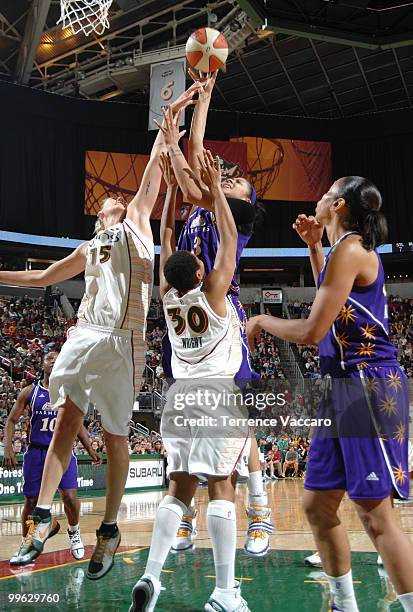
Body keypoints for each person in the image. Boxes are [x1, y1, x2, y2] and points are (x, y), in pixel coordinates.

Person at [0, 84, 201, 577]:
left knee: (115, 438)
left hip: (126, 341)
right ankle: (41, 519)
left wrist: (168, 120)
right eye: (106, 203)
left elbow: (154, 166)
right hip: (86, 333)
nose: (114, 200)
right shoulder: (89, 247)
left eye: (117, 198)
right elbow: (41, 277)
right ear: (97, 219)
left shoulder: (136, 221)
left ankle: (108, 529)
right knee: (66, 419)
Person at [247, 176, 413, 612]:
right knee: (318, 504)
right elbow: (331, 297)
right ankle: (344, 604)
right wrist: (314, 245)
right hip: (341, 386)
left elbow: (312, 330)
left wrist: (261, 321)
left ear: (338, 204)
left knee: (376, 517)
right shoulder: (342, 251)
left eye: (323, 196)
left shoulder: (354, 248)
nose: (316, 200)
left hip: (367, 387)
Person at [129, 138, 250, 612]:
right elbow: (231, 239)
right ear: (199, 271)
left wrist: (172, 201)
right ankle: (223, 593)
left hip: (177, 399)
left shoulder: (169, 296)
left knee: (178, 488)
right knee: (222, 487)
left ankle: (151, 578)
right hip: (216, 395)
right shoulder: (216, 294)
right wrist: (216, 190)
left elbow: (164, 243)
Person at [162, 69, 272, 557]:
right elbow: (191, 171)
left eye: (237, 184)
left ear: (246, 204)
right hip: (189, 325)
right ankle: (184, 514)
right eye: (229, 178)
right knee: (189, 422)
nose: (230, 181)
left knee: (238, 421)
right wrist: (198, 104)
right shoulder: (204, 206)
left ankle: (261, 509)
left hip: (221, 322)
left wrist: (193, 116)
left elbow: (191, 175)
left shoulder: (237, 218)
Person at [3, 351, 101, 565]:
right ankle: (27, 541)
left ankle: (73, 532)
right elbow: (11, 421)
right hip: (36, 451)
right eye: (50, 359)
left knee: (70, 497)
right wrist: (8, 447)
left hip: (64, 451)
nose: (54, 361)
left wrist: (90, 448)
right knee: (31, 501)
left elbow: (78, 425)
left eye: (58, 359)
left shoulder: (69, 393)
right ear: (43, 365)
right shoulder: (30, 391)